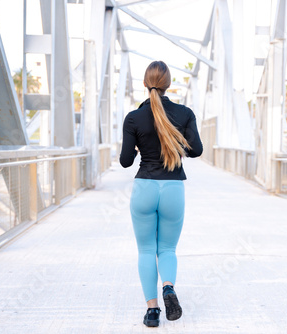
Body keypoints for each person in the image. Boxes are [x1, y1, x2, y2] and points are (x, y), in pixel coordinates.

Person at [119, 60, 203, 327]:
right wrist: (177, 143)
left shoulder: (133, 118)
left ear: (145, 84)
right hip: (173, 189)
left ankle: (152, 312)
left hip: (145, 187)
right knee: (167, 248)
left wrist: (136, 149)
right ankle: (168, 287)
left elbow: (124, 161)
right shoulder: (185, 113)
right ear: (168, 85)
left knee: (146, 250)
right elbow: (196, 150)